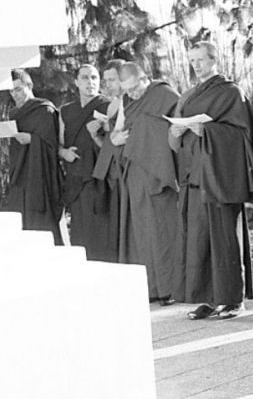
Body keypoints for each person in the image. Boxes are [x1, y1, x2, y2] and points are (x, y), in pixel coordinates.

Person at [169, 42, 253, 320]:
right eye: (192, 60)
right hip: (194, 175)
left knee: (225, 239)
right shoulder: (188, 96)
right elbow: (176, 142)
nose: (196, 65)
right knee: (199, 239)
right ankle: (209, 298)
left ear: (214, 60)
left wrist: (207, 130)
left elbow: (243, 135)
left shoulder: (230, 92)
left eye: (200, 59)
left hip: (220, 176)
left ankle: (233, 298)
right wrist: (175, 131)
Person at [113, 62, 179, 306]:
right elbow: (116, 134)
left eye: (134, 88)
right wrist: (116, 137)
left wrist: (145, 130)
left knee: (164, 231)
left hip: (161, 173)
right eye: (126, 90)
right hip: (136, 175)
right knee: (142, 234)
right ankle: (151, 287)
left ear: (145, 78)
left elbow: (178, 130)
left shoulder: (165, 95)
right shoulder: (126, 102)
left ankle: (172, 287)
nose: (132, 94)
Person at [59, 64, 115, 261]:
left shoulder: (109, 105)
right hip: (76, 176)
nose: (90, 82)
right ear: (76, 82)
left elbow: (115, 142)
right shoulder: (66, 111)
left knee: (103, 228)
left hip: (102, 176)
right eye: (85, 78)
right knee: (80, 229)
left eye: (94, 77)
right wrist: (63, 152)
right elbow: (58, 143)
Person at [6, 69, 63, 245]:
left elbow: (52, 147)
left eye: (18, 89)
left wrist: (32, 139)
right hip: (20, 174)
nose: (14, 95)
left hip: (39, 176)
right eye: (11, 91)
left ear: (29, 86)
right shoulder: (14, 114)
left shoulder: (44, 109)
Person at [89, 59, 127, 262]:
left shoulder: (132, 101)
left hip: (126, 171)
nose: (108, 84)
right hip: (111, 173)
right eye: (107, 80)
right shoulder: (112, 105)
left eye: (112, 79)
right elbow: (110, 143)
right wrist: (96, 136)